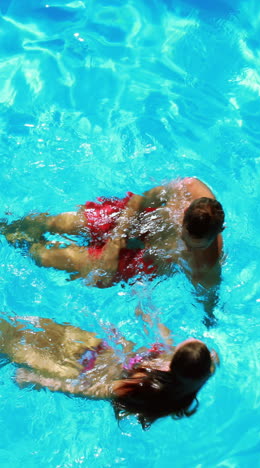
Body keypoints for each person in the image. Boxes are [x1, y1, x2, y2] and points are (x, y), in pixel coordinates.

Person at [0, 309, 219, 429]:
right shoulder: (201, 368)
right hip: (100, 352)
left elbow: (95, 389)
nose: (190, 338)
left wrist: (40, 381)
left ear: (175, 364)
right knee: (28, 324)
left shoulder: (142, 385)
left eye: (189, 343)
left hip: (82, 373)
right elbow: (167, 339)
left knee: (11, 344)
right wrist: (148, 316)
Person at [0, 177, 225, 293]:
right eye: (185, 237)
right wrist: (113, 244)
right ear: (183, 214)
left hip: (140, 261)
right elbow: (138, 200)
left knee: (44, 257)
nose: (185, 246)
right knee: (56, 223)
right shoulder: (187, 190)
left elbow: (207, 298)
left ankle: (19, 244)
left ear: (219, 232)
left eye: (194, 246)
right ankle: (5, 226)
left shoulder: (205, 267)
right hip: (126, 221)